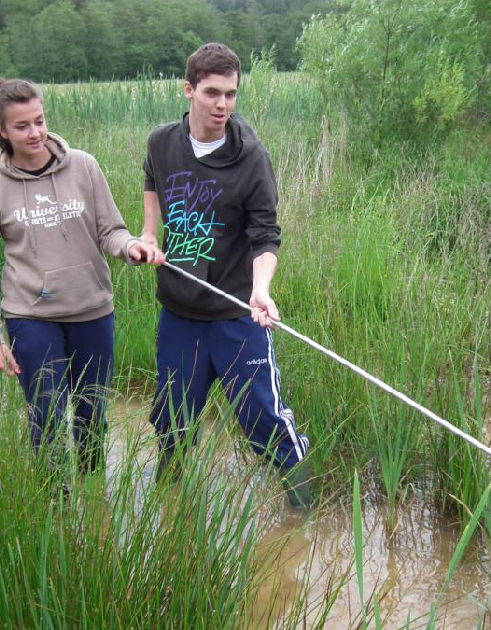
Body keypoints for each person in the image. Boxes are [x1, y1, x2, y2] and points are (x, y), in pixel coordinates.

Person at [140, 44, 311, 509]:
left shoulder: (251, 157)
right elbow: (152, 180)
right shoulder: (162, 142)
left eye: (231, 94)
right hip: (179, 313)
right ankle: (169, 504)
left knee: (265, 421)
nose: (222, 105)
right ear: (189, 89)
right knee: (171, 421)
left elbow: (265, 235)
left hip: (237, 313)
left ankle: (303, 513)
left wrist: (261, 291)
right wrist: (149, 234)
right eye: (212, 93)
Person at [0, 78, 164, 475]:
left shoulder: (83, 166)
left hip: (92, 310)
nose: (35, 132)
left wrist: (131, 248)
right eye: (22, 126)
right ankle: (55, 506)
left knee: (93, 415)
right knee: (47, 420)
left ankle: (93, 498)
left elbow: (111, 231)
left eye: (39, 120)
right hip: (31, 317)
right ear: (1, 131)